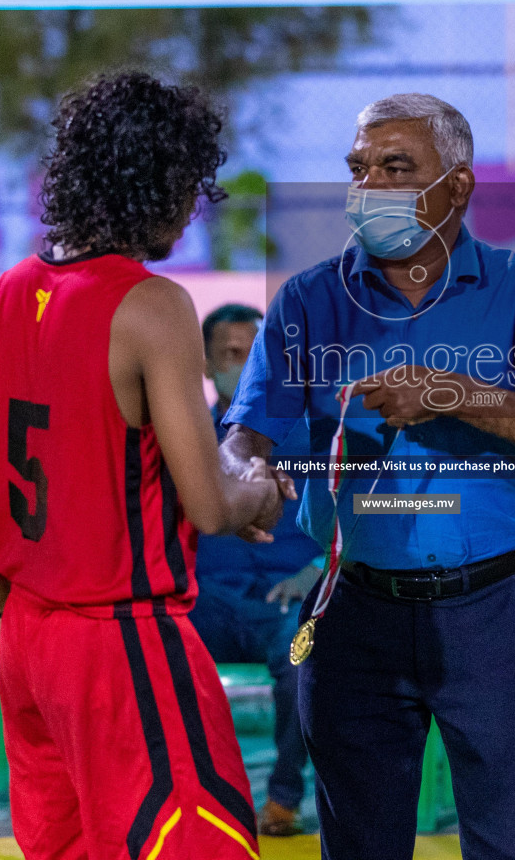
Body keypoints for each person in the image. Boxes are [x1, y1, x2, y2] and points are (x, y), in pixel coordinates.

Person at [220, 93, 515, 860]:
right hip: (349, 610)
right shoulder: (306, 302)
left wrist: (456, 394)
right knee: (360, 843)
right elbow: (244, 436)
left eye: (397, 168)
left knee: (510, 844)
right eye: (359, 169)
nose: (370, 188)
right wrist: (241, 478)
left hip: (491, 614)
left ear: (458, 187)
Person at [0, 72, 293, 860]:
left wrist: (3, 610)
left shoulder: (3, 296)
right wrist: (258, 493)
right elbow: (207, 505)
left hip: (28, 643)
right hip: (124, 641)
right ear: (160, 183)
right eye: (192, 188)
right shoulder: (151, 307)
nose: (193, 209)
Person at [192, 302, 322, 837]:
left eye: (257, 355)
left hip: (286, 601)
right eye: (231, 354)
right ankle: (193, 799)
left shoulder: (309, 430)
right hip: (204, 601)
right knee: (154, 650)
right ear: (203, 362)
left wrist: (315, 569)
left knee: (302, 658)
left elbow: (361, 508)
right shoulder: (181, 434)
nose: (245, 367)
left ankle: (283, 797)